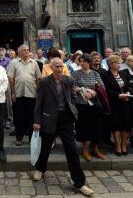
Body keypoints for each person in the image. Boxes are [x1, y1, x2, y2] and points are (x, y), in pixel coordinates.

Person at [32, 57, 93, 196]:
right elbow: (38, 103)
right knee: (46, 146)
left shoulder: (68, 80)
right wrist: (37, 121)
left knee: (71, 150)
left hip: (65, 118)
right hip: (49, 118)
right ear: (51, 67)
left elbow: (71, 97)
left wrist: (84, 96)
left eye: (61, 66)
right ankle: (40, 169)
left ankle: (79, 183)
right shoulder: (44, 82)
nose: (59, 69)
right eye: (57, 67)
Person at [72, 53, 106, 161]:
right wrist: (84, 90)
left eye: (85, 61)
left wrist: (93, 93)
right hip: (81, 104)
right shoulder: (76, 73)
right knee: (83, 127)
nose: (82, 63)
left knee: (96, 126)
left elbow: (101, 87)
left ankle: (95, 149)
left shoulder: (95, 74)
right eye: (80, 61)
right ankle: (85, 149)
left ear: (89, 63)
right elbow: (73, 86)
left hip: (94, 104)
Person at [7, 44, 41, 146]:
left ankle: (32, 139)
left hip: (32, 94)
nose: (26, 51)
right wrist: (13, 93)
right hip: (18, 94)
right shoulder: (14, 62)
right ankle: (19, 138)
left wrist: (38, 92)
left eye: (27, 50)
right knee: (18, 118)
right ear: (20, 52)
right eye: (24, 50)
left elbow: (38, 78)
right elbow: (11, 78)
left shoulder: (34, 63)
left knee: (31, 118)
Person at [101, 55, 132, 156]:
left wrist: (127, 93)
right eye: (117, 63)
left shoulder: (123, 74)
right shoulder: (105, 75)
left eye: (120, 63)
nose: (119, 65)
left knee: (126, 124)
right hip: (114, 103)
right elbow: (105, 90)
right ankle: (117, 146)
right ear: (111, 64)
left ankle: (124, 145)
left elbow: (128, 86)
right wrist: (118, 95)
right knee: (116, 125)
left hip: (125, 102)